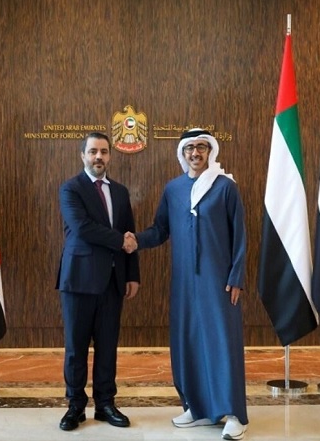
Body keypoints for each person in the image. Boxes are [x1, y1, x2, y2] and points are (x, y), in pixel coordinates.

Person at [127, 128, 248, 440]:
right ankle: (197, 407)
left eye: (201, 147)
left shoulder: (225, 187)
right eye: (190, 148)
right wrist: (135, 241)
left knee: (222, 344)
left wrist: (236, 276)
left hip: (219, 283)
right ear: (182, 153)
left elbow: (240, 235)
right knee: (188, 343)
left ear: (210, 152)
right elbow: (160, 230)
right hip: (184, 283)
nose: (195, 153)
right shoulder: (174, 189)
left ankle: (235, 414)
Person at [56, 132, 140, 431]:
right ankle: (75, 406)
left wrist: (132, 274)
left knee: (107, 347)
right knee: (76, 348)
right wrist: (120, 241)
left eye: (104, 151)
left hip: (112, 282)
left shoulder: (120, 192)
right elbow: (82, 228)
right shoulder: (71, 188)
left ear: (110, 156)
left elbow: (130, 233)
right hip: (78, 280)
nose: (98, 157)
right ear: (83, 155)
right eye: (93, 151)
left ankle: (105, 404)